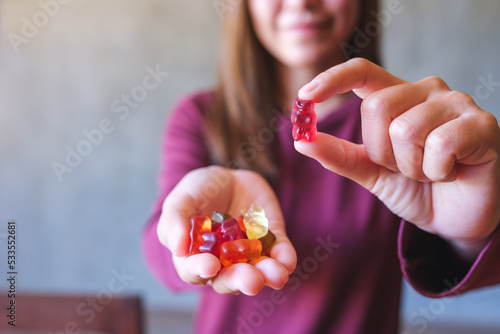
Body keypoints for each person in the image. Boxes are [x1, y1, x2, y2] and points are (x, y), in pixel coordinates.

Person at [142, 1, 500, 333]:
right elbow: (159, 251)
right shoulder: (200, 117)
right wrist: (185, 234)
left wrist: (470, 235)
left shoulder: (405, 131)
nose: (301, 2)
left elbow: (450, 267)